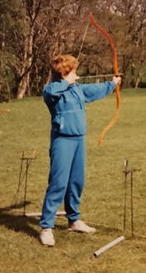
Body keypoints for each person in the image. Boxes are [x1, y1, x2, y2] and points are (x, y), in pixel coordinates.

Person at [39, 55, 121, 246]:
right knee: (58, 183)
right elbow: (50, 93)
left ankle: (73, 220)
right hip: (62, 140)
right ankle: (46, 227)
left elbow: (95, 89)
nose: (76, 74)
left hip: (78, 140)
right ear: (64, 73)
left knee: (76, 182)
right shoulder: (51, 90)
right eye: (73, 71)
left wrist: (112, 83)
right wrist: (66, 81)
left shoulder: (77, 89)